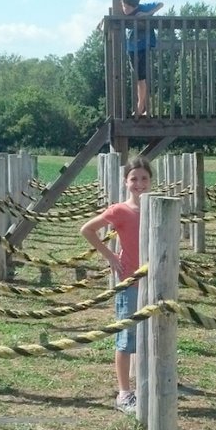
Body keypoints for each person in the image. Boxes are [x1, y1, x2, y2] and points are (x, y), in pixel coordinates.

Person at [80, 156, 153, 414]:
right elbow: (87, 229)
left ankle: (148, 379)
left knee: (152, 333)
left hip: (153, 283)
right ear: (126, 182)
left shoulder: (155, 207)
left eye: (144, 178)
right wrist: (110, 255)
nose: (139, 183)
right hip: (130, 282)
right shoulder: (120, 210)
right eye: (134, 179)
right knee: (126, 337)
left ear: (151, 181)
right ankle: (124, 392)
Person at [121, 0, 164, 118]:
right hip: (131, 47)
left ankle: (141, 107)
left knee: (141, 77)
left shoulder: (142, 7)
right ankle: (142, 106)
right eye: (123, 6)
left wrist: (147, 14)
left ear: (135, 6)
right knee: (137, 77)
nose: (124, 9)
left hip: (143, 46)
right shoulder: (122, 11)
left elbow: (160, 4)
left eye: (127, 7)